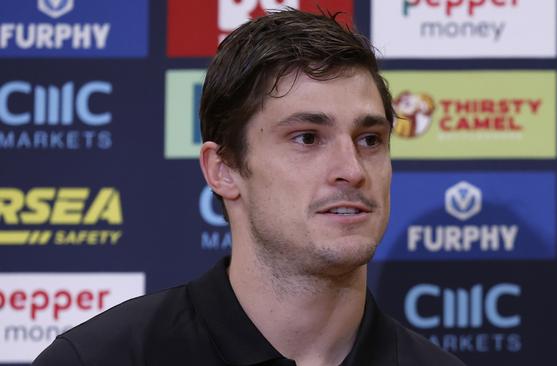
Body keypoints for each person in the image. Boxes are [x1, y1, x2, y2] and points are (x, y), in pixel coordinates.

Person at [33, 9, 465, 366]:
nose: (352, 170)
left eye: (369, 140)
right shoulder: (98, 360)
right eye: (307, 138)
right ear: (223, 170)